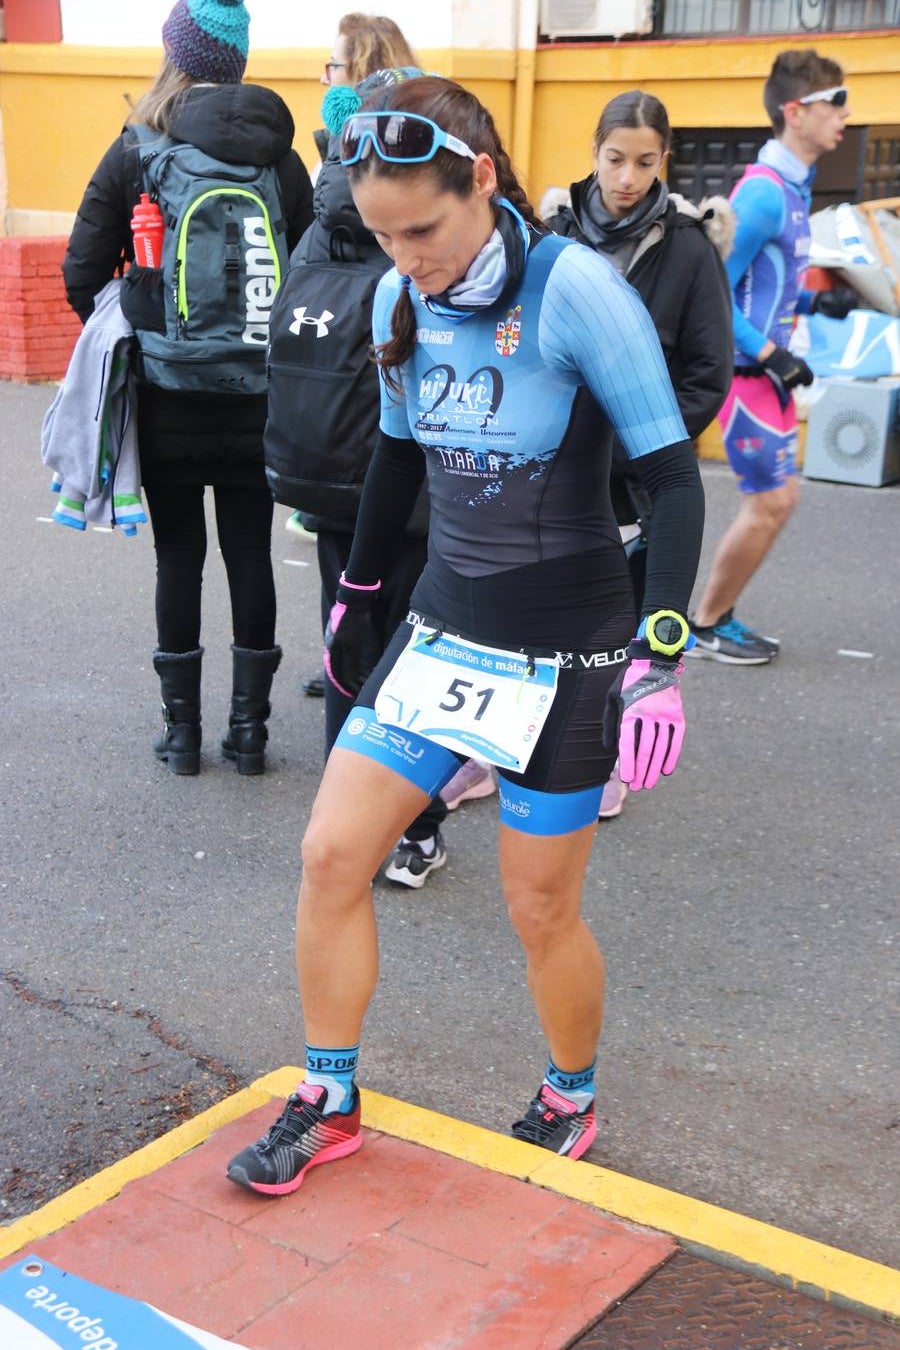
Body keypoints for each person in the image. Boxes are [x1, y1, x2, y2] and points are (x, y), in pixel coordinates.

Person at [226, 75, 704, 1196]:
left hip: (568, 644)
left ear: (481, 180)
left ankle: (569, 1095)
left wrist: (659, 660)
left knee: (540, 907)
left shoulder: (577, 291)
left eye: (424, 228)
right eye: (385, 234)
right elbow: (396, 458)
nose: (409, 258)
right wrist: (356, 590)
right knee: (332, 854)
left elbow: (674, 487)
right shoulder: (402, 297)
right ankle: (331, 1098)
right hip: (445, 629)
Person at [62, 0, 314, 775]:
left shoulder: (138, 148)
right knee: (250, 555)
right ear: (236, 63)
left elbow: (79, 268)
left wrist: (135, 321)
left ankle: (182, 736)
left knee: (180, 557)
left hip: (168, 390)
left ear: (175, 55)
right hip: (257, 394)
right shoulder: (280, 154)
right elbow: (305, 270)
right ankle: (251, 733)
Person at [285, 18, 493, 885]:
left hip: (335, 475)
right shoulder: (429, 244)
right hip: (421, 483)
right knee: (423, 655)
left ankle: (348, 812)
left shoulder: (322, 222)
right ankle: (414, 825)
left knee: (348, 639)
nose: (402, 256)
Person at [544, 89, 734, 816]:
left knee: (621, 626)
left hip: (642, 477)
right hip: (559, 468)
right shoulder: (554, 233)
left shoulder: (688, 247)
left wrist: (635, 444)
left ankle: (607, 758)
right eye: (616, 159)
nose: (628, 178)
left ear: (665, 162)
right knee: (548, 617)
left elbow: (708, 376)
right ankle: (509, 752)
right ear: (594, 153)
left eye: (645, 162)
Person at [687, 49, 853, 664]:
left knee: (777, 503)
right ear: (793, 111)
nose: (844, 114)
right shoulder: (762, 194)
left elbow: (769, 287)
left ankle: (715, 616)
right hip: (747, 376)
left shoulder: (792, 188)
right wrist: (769, 353)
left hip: (769, 374)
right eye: (834, 102)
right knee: (772, 502)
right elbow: (714, 291)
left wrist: (814, 311)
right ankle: (704, 625)